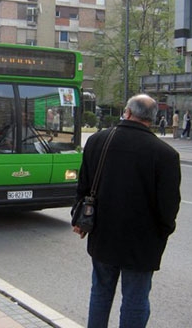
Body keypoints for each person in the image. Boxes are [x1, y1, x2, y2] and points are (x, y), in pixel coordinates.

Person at [74, 94, 181, 328]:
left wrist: (79, 219)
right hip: (143, 241)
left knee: (100, 293)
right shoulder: (165, 154)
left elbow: (83, 186)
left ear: (127, 112)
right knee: (136, 298)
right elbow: (169, 205)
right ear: (152, 119)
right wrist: (163, 232)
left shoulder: (97, 141)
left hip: (103, 233)